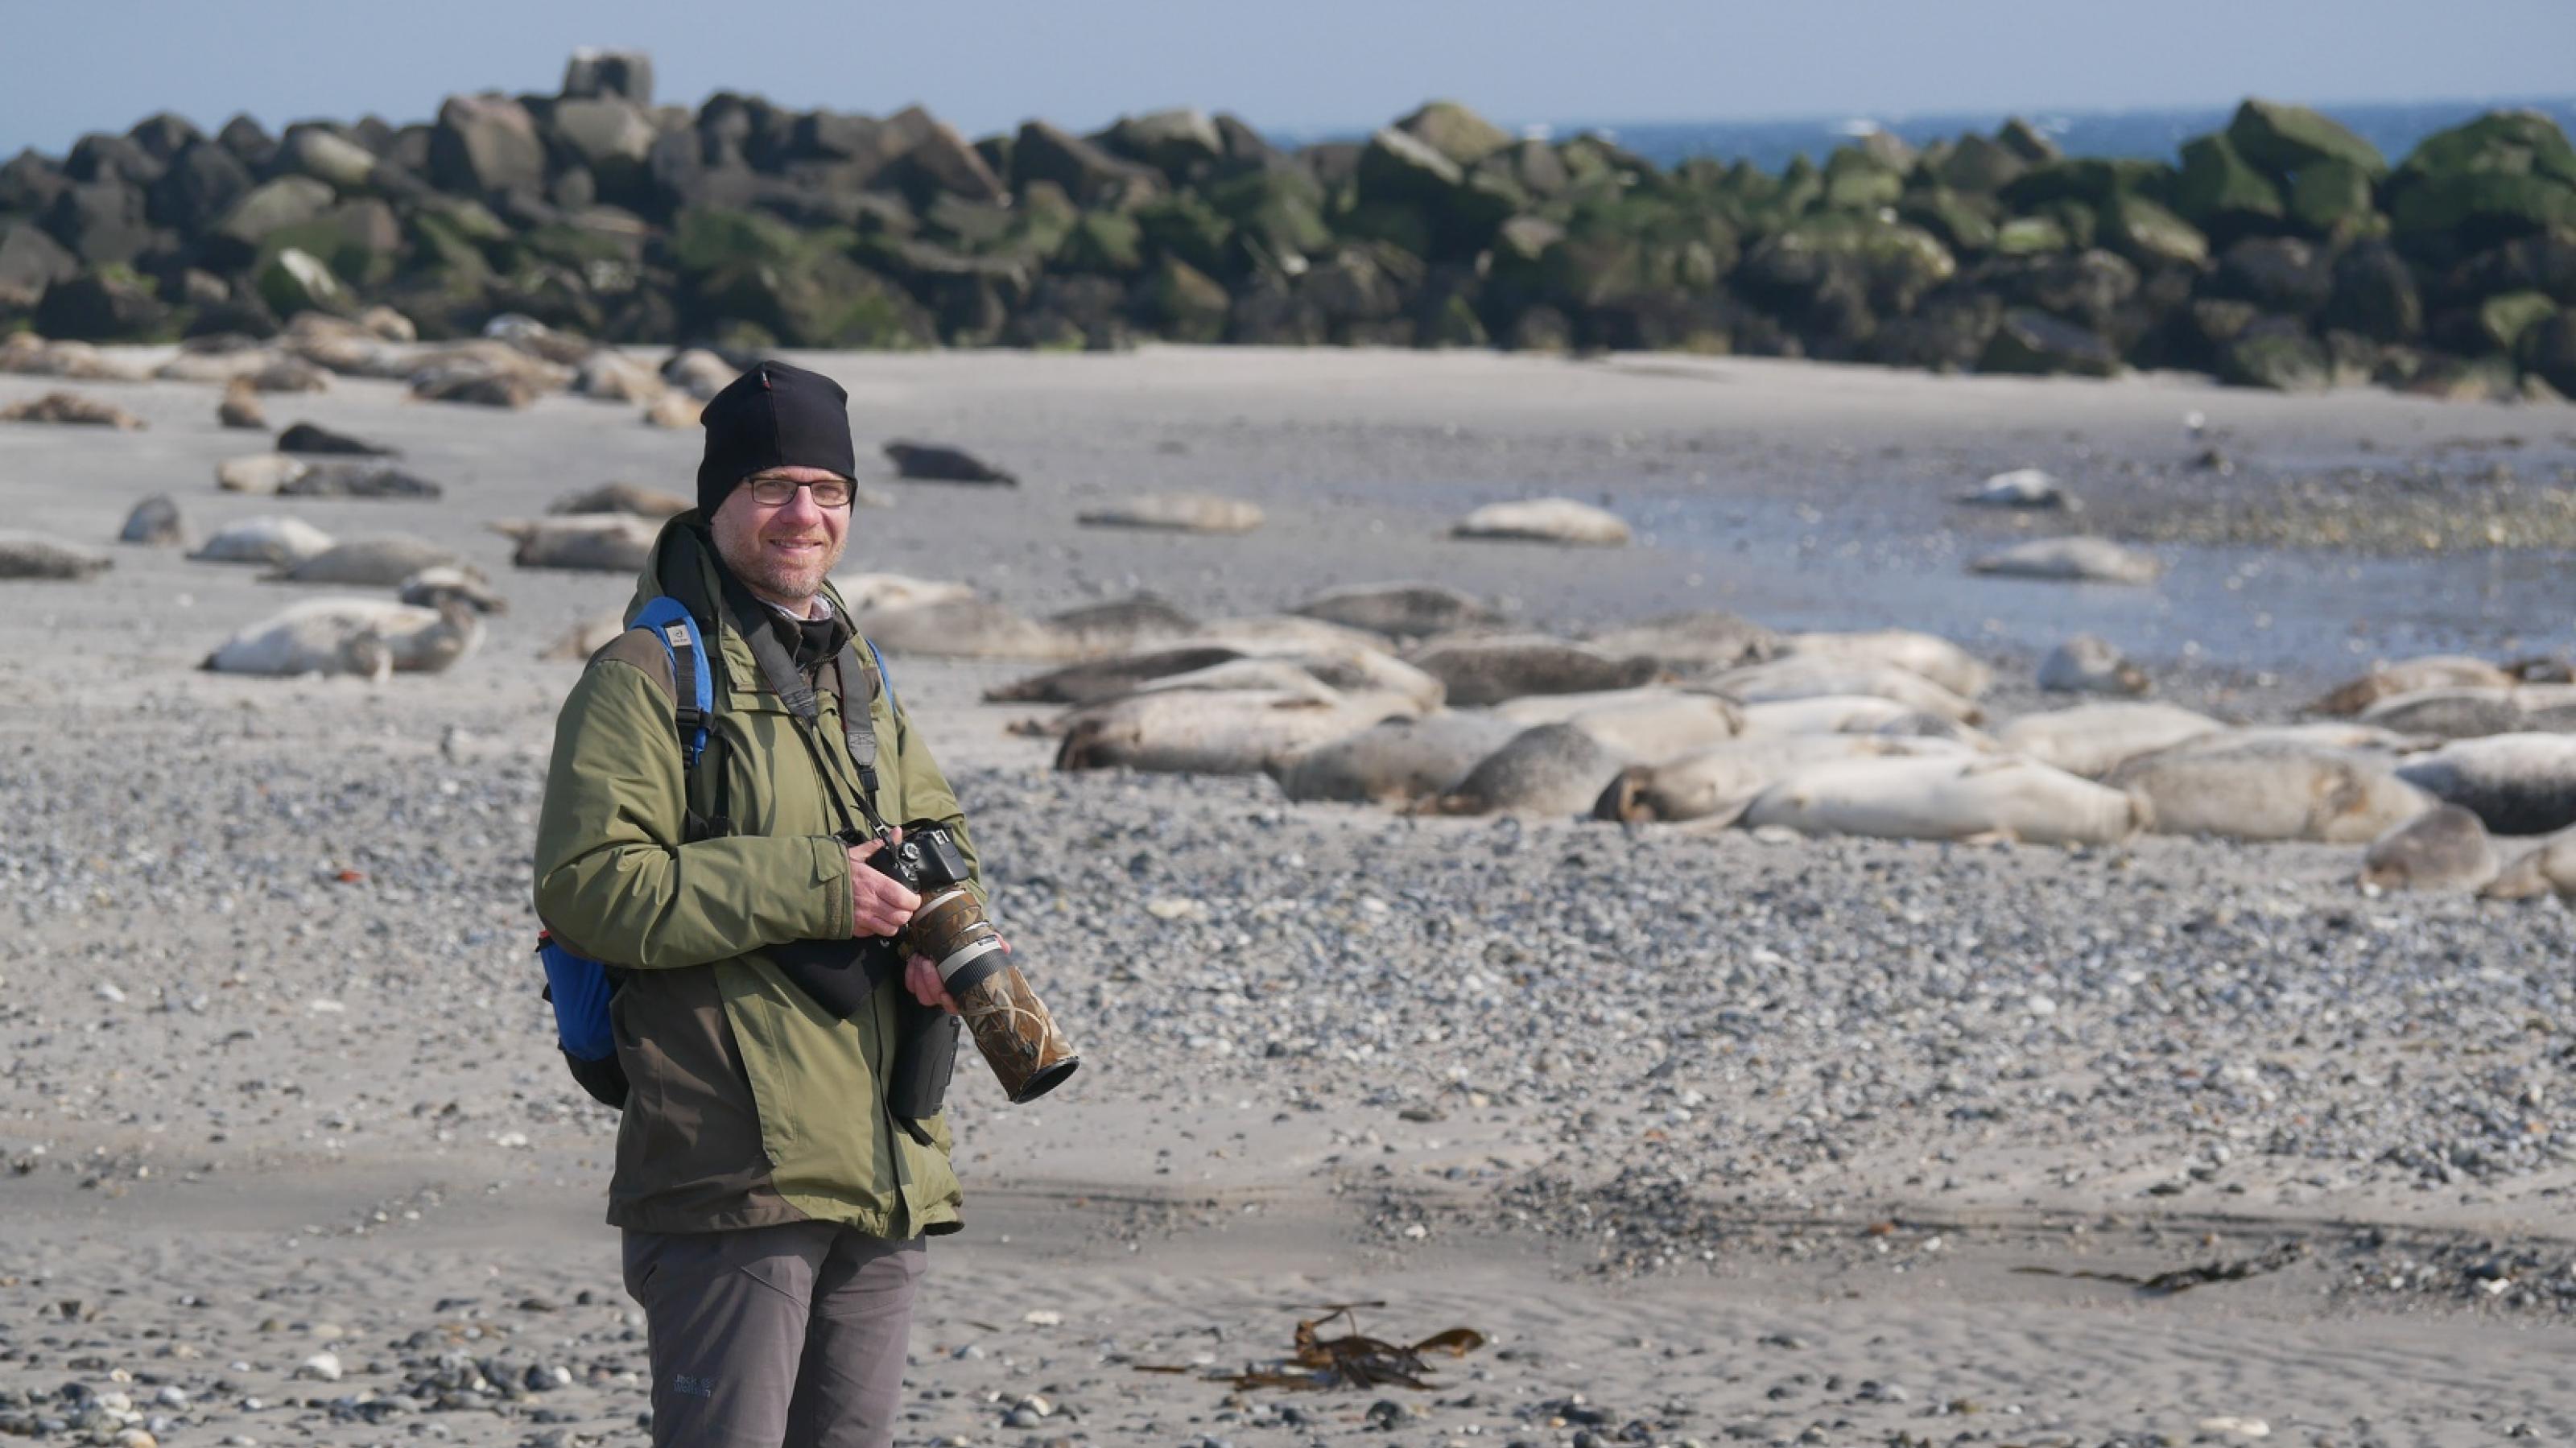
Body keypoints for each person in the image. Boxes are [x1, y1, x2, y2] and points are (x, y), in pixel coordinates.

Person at [533, 359, 985, 1446]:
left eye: (829, 492)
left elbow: (945, 839)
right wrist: (821, 886)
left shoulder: (854, 670)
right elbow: (590, 889)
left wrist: (943, 938)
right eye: (776, 486)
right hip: (732, 1170)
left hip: (886, 1163)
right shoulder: (644, 674)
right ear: (718, 500)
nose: (805, 515)